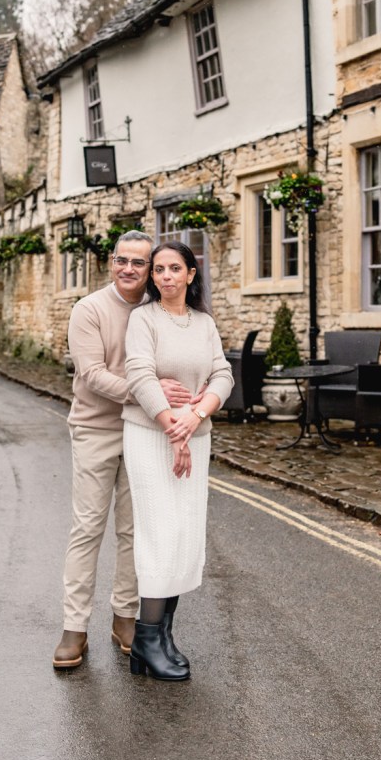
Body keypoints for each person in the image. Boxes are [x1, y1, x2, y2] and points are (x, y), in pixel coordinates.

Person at [53, 230, 197, 669]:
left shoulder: (157, 310)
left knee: (135, 532)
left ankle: (124, 619)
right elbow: (92, 374)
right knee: (87, 528)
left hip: (146, 432)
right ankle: (74, 627)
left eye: (139, 262)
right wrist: (147, 393)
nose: (129, 269)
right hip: (96, 429)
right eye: (122, 260)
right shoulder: (89, 309)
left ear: (150, 268)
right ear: (111, 263)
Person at [122, 241, 234, 681]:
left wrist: (196, 416)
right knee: (160, 534)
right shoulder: (143, 319)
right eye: (159, 269)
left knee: (184, 534)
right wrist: (174, 427)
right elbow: (139, 375)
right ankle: (146, 639)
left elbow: (222, 374)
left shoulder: (204, 323)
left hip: (195, 435)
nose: (165, 276)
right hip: (150, 436)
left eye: (174, 268)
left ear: (190, 274)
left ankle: (162, 637)